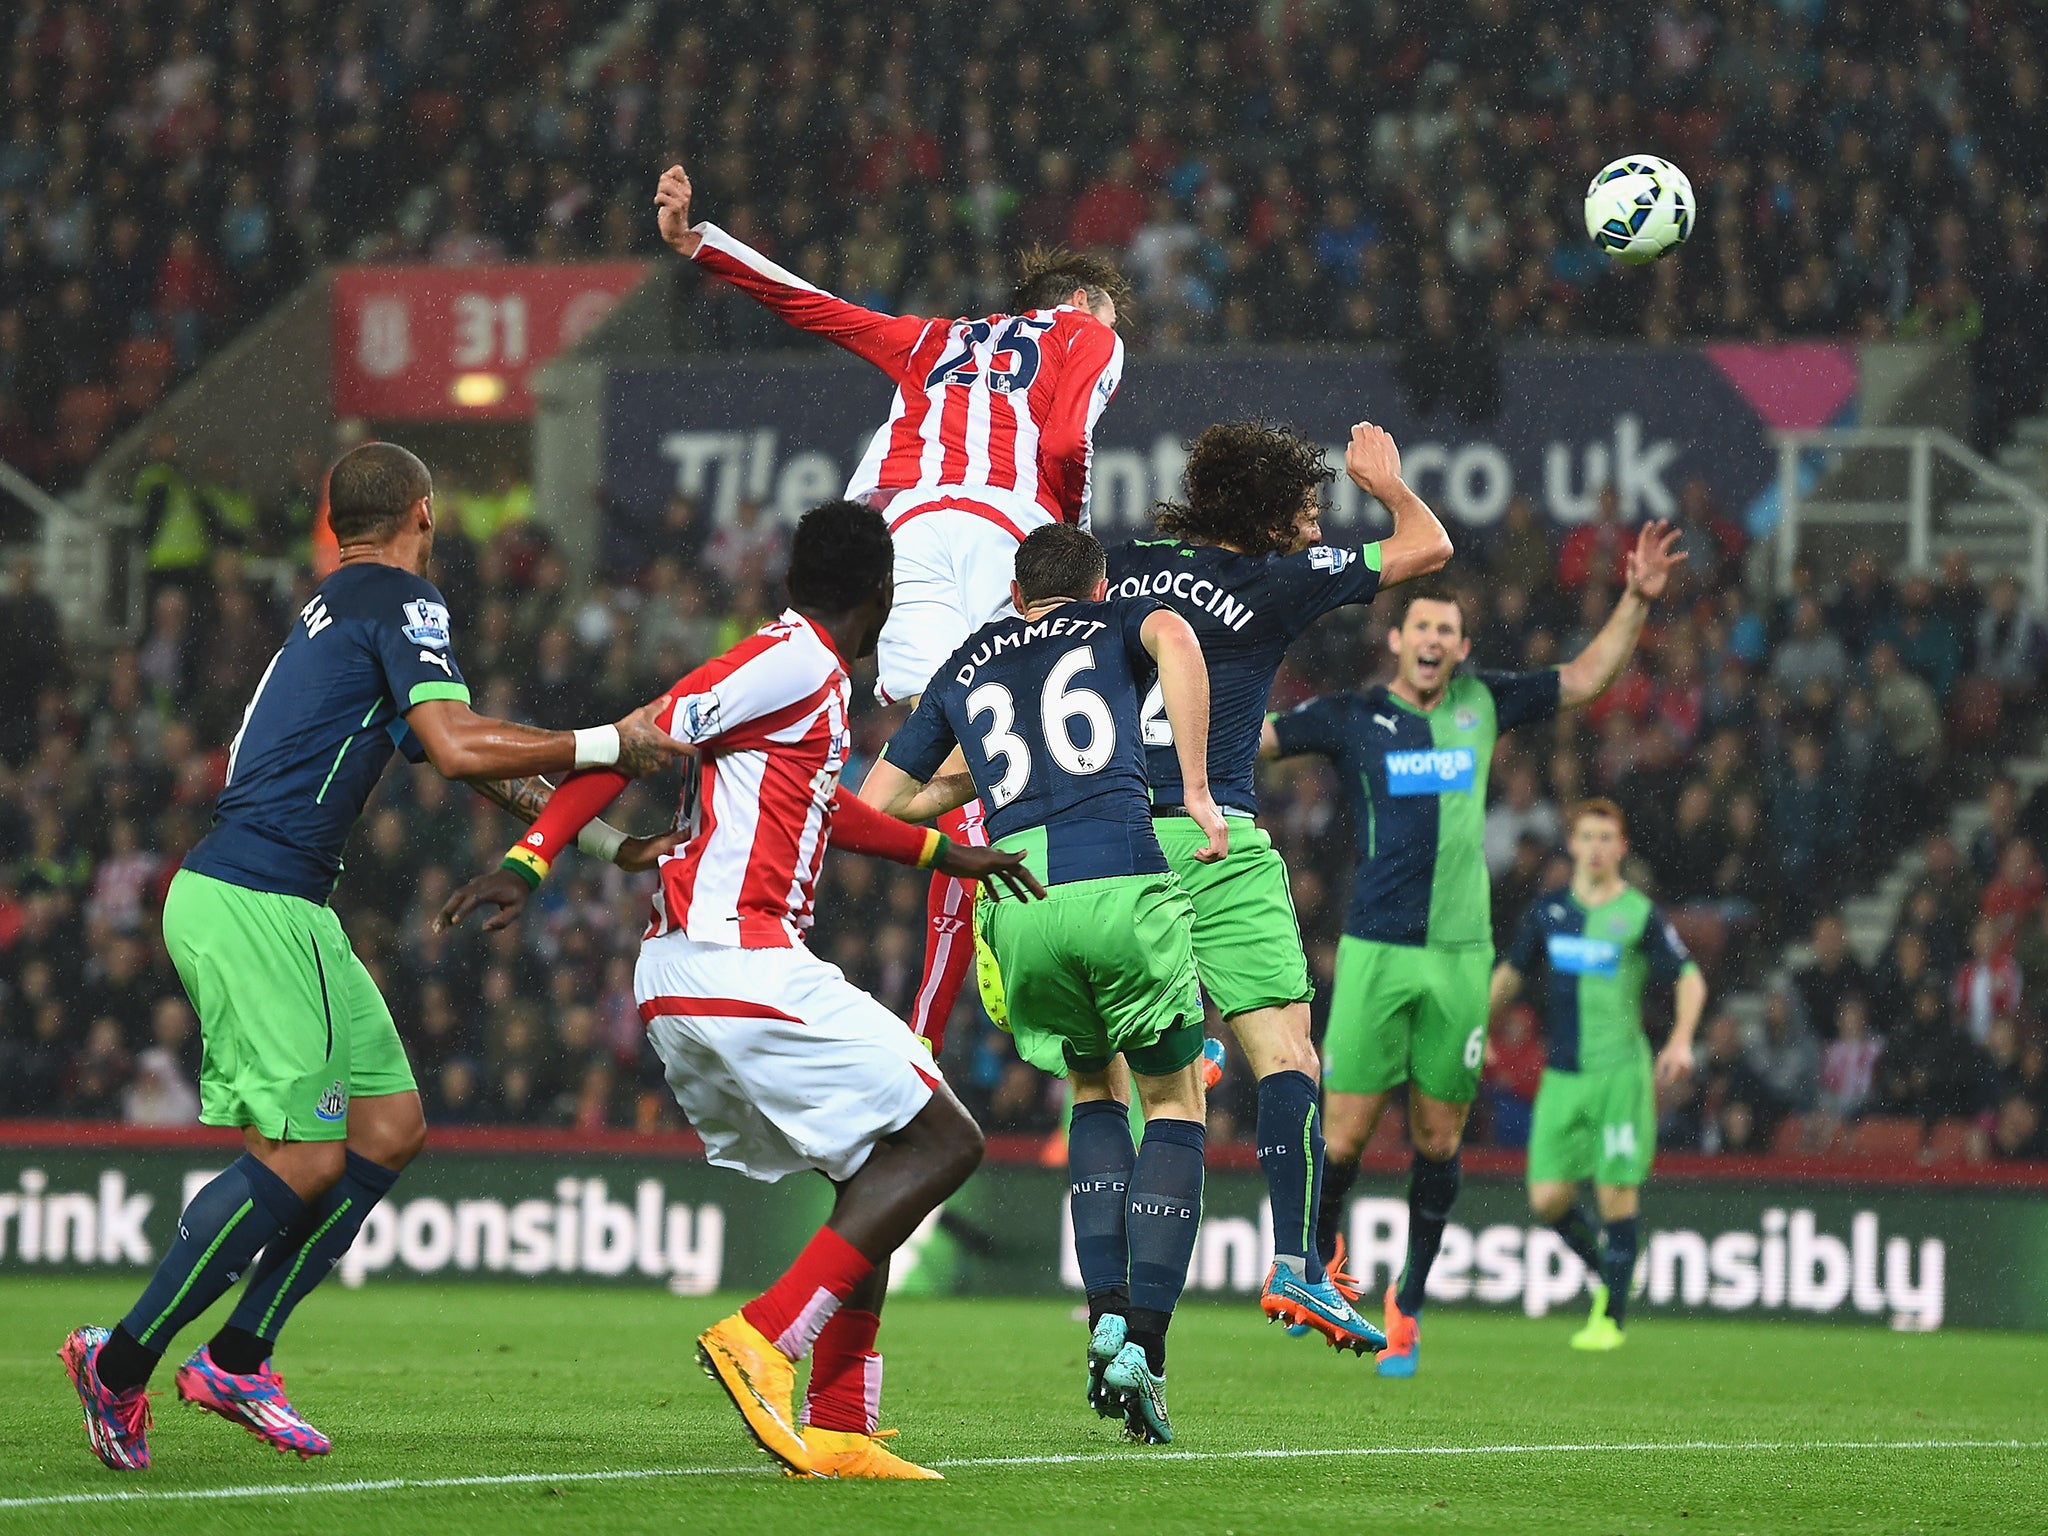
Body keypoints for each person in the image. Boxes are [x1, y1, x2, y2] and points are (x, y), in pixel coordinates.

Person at [61, 442, 690, 1473]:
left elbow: (467, 759)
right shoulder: (402, 600)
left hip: (279, 903)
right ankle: (120, 1363)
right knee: (303, 1156)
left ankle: (237, 1356)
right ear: (423, 513)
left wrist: (602, 842)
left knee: (388, 1129)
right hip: (254, 899)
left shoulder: (339, 607)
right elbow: (457, 744)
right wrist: (609, 742)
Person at [439, 501, 1040, 1481]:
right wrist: (533, 856)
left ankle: (842, 1424)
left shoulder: (805, 675)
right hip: (730, 959)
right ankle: (762, 1336)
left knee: (874, 1170)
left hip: (722, 969)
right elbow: (632, 740)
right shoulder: (793, 661)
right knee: (946, 1139)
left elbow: (818, 805)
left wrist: (942, 850)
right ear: (880, 593)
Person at [655, 165, 1130, 1055]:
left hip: (906, 535)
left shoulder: (934, 339)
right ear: (1082, 300)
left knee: (934, 756)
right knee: (1019, 744)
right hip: (1006, 533)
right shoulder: (1084, 333)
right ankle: (1052, 960)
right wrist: (1072, 548)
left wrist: (700, 245)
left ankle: (924, 1029)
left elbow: (817, 307)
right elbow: (1067, 439)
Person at [864, 523, 1279, 1443]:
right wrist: (1202, 793)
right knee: (1172, 1103)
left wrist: (952, 823)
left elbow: (880, 805)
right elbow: (1174, 635)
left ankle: (1101, 1316)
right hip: (1120, 880)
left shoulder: (969, 663)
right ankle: (1145, 1344)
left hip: (1020, 901)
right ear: (1096, 586)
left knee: (1095, 1088)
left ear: (1017, 595)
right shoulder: (1114, 623)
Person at [1260, 517, 1687, 1377]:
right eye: (1421, 628)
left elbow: (1586, 677)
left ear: (1458, 648)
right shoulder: (1352, 717)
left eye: (1448, 632)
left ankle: (1408, 1300)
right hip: (1376, 950)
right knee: (1340, 1140)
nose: (1434, 642)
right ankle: (1319, 1266)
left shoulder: (1482, 703)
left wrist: (1636, 603)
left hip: (1459, 954)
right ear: (1396, 639)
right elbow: (1253, 741)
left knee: (1438, 1139)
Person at [1102, 419, 1450, 1348]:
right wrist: (1388, 485)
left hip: (1114, 837)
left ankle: (1121, 1323)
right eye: (1303, 502)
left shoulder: (1129, 562)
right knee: (1292, 1058)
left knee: (1154, 1081)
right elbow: (1430, 547)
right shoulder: (1271, 581)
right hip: (1213, 838)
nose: (1314, 517)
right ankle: (1299, 1269)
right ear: (1259, 509)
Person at [1491, 799, 1705, 1351]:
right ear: (1574, 845)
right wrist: (1477, 1030)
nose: (1596, 846)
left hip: (1618, 1075)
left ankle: (1610, 1317)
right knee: (1546, 1199)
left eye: (1606, 837)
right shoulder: (1547, 913)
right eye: (1587, 836)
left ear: (1621, 848)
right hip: (1562, 1076)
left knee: (1615, 1197)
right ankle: (1612, 1269)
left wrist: (1681, 1039)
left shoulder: (1638, 914)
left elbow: (1688, 977)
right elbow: (1509, 978)